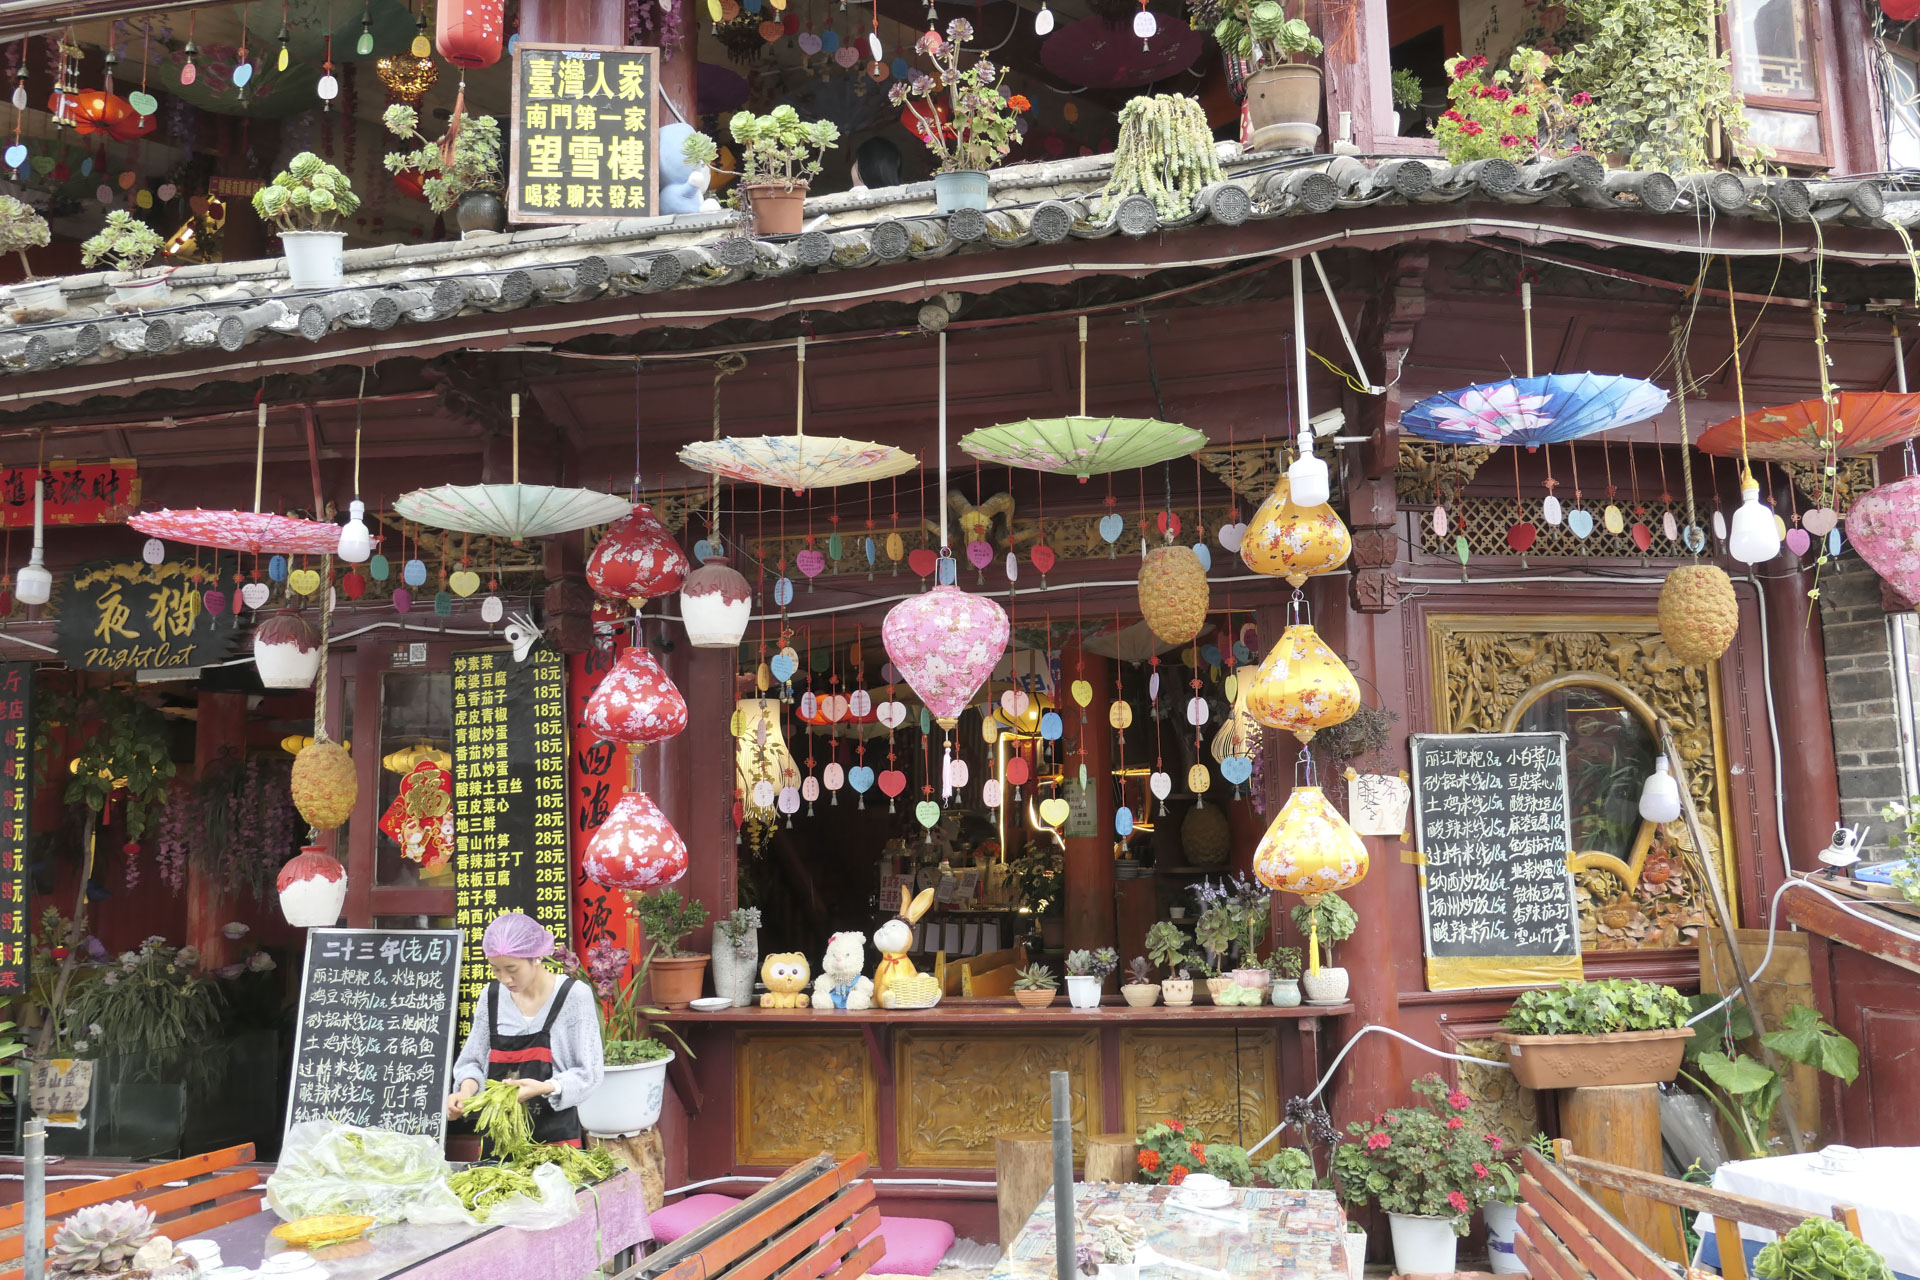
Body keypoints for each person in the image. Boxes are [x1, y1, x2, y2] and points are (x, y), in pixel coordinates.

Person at [444, 912, 603, 1148]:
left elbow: (588, 1072)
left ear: (536, 957)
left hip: (557, 1144)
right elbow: (472, 1062)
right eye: (496, 969)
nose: (505, 979)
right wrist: (465, 1092)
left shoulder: (573, 995)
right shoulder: (491, 997)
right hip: (499, 1141)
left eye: (512, 968)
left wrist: (546, 1087)